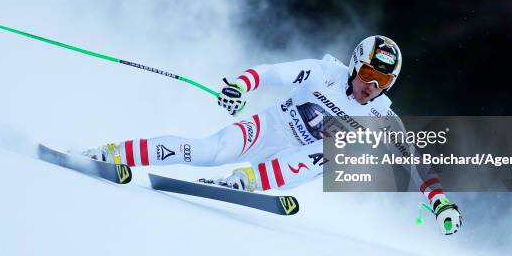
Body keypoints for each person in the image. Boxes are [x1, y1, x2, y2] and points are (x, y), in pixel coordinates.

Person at [82, 35, 462, 235]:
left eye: (382, 82)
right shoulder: (322, 73)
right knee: (208, 150)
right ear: (354, 65)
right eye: (368, 75)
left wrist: (440, 202)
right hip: (268, 129)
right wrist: (240, 88)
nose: (372, 87)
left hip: (295, 162)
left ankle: (246, 181)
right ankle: (114, 152)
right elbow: (268, 73)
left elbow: (414, 160)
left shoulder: (381, 115)